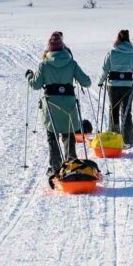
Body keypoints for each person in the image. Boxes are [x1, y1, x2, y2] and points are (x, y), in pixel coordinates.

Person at [26, 32, 91, 183]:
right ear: (62, 47)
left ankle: (55, 168)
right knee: (69, 136)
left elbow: (35, 85)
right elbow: (86, 82)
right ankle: (71, 165)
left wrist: (29, 76)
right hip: (69, 107)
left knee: (52, 137)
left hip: (51, 107)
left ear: (49, 48)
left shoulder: (44, 64)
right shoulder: (72, 63)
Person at [99, 29, 133, 147]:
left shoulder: (111, 53)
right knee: (126, 112)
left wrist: (100, 82)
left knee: (113, 110)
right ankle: (127, 140)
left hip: (113, 86)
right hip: (127, 86)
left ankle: (114, 139)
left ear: (117, 39)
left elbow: (105, 70)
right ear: (128, 39)